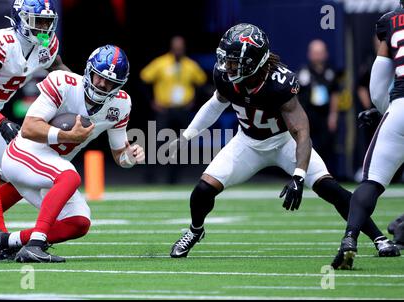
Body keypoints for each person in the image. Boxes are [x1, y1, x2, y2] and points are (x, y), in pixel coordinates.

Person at [167, 23, 399, 259]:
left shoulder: (279, 82)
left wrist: (298, 175)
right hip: (247, 143)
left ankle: (379, 238)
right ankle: (195, 230)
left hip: (284, 142)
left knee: (330, 189)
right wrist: (186, 135)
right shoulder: (226, 76)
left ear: (252, 61)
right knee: (202, 191)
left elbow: (301, 131)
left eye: (235, 61)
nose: (228, 65)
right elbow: (215, 104)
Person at [0, 45, 145, 263]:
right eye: (99, 77)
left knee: (79, 222)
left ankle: (5, 241)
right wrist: (68, 136)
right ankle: (35, 244)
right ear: (89, 71)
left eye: (111, 83)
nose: (102, 85)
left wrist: (131, 157)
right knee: (70, 175)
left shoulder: (121, 103)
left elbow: (120, 156)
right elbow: (29, 128)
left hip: (50, 169)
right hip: (23, 153)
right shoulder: (64, 83)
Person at [0, 0, 70, 256]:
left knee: (18, 176)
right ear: (19, 19)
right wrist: (1, 122)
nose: (43, 28)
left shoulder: (47, 47)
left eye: (47, 22)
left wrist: (81, 93)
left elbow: (63, 76)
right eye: (37, 21)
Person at [331, 2, 404, 269]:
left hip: (401, 109)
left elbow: (377, 85)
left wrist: (385, 111)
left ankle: (350, 238)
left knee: (371, 183)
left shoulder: (392, 21)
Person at [140, 35, 207, 183]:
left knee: (181, 144)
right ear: (171, 47)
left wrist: (194, 102)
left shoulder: (190, 65)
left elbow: (202, 84)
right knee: (157, 142)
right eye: (176, 46)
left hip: (182, 110)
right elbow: (144, 80)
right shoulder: (161, 62)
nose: (178, 49)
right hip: (164, 110)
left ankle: (173, 179)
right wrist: (151, 101)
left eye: (180, 47)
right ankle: (150, 177)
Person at [297, 39, 340, 174]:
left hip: (324, 115)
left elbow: (335, 95)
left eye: (320, 52)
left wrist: (333, 116)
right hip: (307, 114)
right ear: (310, 54)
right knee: (306, 144)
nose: (317, 56)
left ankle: (326, 174)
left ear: (325, 54)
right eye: (315, 53)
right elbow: (295, 96)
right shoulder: (303, 73)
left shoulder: (331, 73)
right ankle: (305, 173)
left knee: (327, 145)